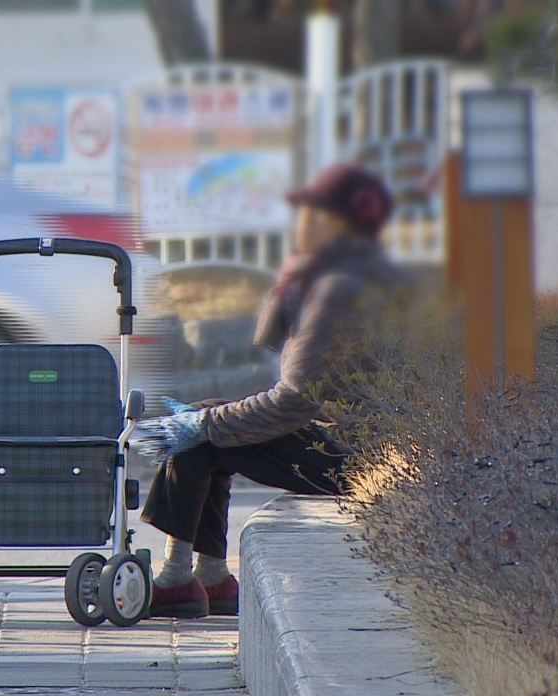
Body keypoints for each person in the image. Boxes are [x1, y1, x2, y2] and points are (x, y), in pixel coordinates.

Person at [136, 163, 413, 619]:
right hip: (359, 444)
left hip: (353, 460)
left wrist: (206, 424)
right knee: (204, 422)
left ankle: (180, 580)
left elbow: (296, 399)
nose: (299, 224)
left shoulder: (339, 290)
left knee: (201, 431)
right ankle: (206, 576)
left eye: (311, 213)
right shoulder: (355, 274)